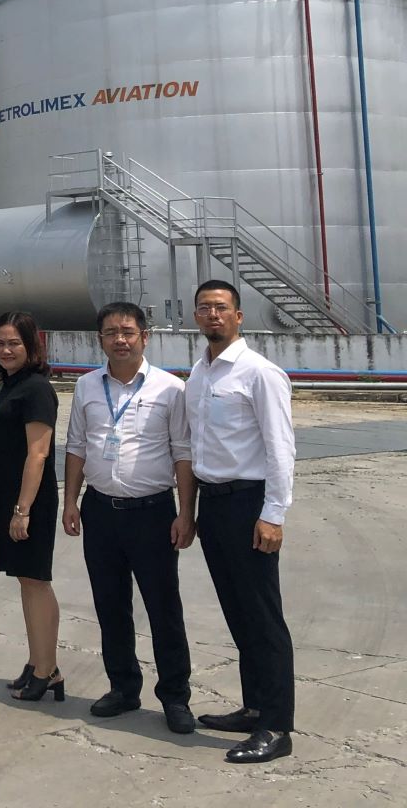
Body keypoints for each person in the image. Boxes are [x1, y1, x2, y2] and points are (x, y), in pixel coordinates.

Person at [62, 301, 197, 734]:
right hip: (101, 510)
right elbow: (77, 445)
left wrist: (186, 512)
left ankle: (175, 696)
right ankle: (123, 687)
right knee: (110, 604)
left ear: (145, 336)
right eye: (110, 333)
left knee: (163, 607)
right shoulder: (86, 386)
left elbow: (182, 452)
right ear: (100, 339)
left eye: (127, 332)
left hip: (152, 513)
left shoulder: (170, 389)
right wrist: (70, 501)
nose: (119, 340)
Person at [184, 280, 296, 764]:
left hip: (250, 504)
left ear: (238, 315)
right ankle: (254, 707)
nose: (213, 315)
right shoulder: (199, 373)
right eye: (204, 308)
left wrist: (273, 514)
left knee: (263, 617)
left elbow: (280, 447)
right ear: (195, 316)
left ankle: (277, 726)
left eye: (221, 308)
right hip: (213, 506)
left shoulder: (260, 373)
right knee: (237, 611)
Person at [0, 310, 64, 703]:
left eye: (14, 343)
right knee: (26, 582)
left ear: (31, 346)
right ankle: (38, 662)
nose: (6, 350)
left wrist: (22, 510)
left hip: (31, 501)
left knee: (36, 582)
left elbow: (38, 453)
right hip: (7, 498)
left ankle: (47, 671)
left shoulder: (36, 389)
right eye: (0, 343)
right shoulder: (7, 386)